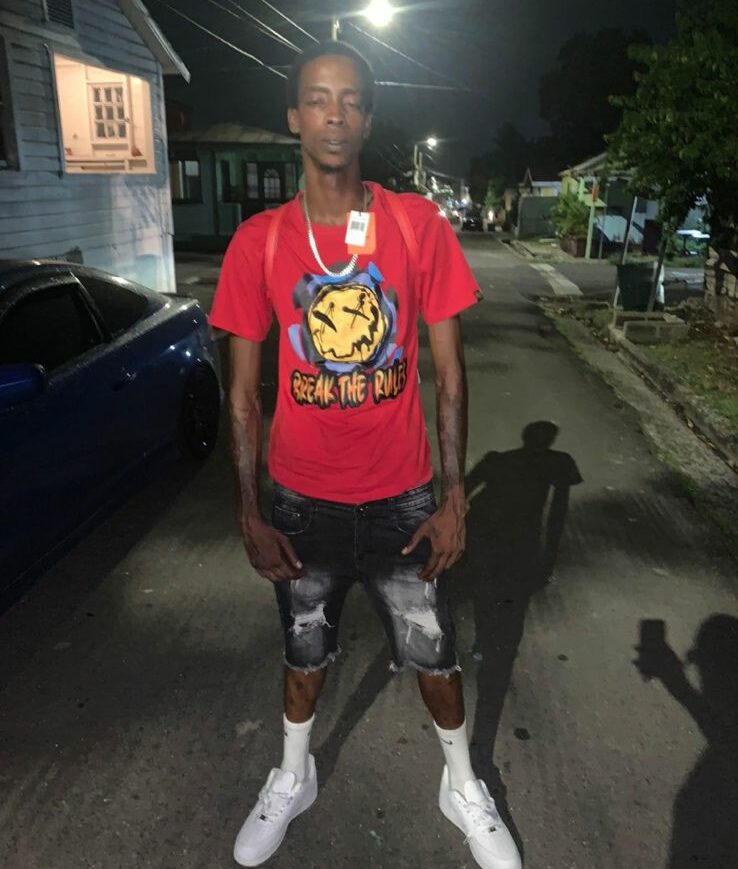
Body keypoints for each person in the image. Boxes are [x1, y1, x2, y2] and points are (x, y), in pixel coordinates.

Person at [209, 40, 522, 869]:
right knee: (303, 650)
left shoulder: (416, 227)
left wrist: (453, 498)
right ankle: (293, 775)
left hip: (402, 499)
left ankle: (461, 785)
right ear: (294, 117)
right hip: (300, 502)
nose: (335, 114)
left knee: (434, 652)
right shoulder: (260, 243)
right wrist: (249, 510)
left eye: (351, 99)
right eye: (318, 98)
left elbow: (450, 375)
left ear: (369, 118)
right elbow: (241, 396)